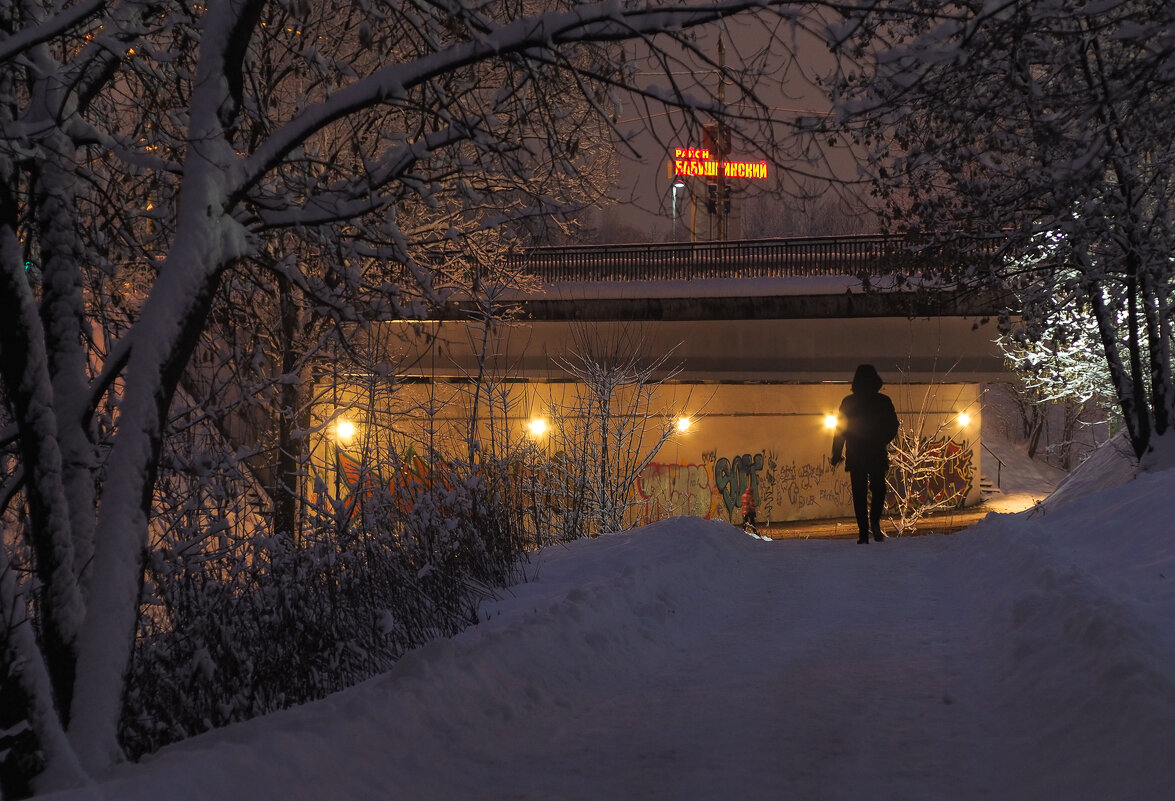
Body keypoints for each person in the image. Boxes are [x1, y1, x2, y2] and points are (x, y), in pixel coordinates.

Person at [830, 364, 900, 544]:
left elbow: (840, 429)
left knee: (859, 493)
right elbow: (893, 425)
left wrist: (836, 453)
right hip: (876, 452)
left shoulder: (848, 402)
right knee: (878, 489)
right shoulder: (883, 401)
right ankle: (875, 522)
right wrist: (881, 440)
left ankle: (863, 533)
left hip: (856, 453)